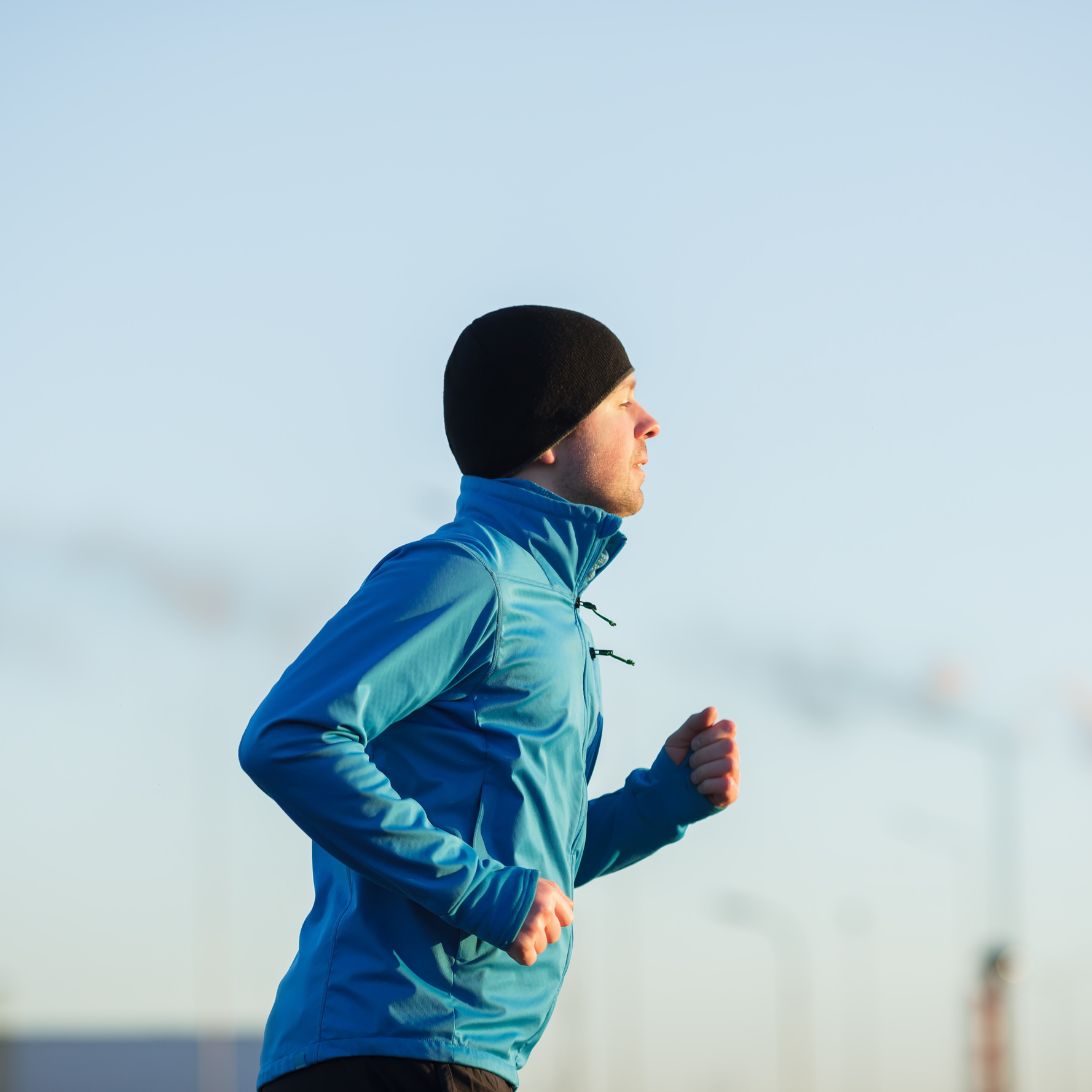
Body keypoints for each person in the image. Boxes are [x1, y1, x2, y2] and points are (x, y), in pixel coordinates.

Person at [239, 304, 740, 1092]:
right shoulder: (471, 574)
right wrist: (482, 891)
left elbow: (526, 857)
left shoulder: (550, 609)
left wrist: (660, 804)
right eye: (622, 400)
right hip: (390, 1050)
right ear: (547, 435)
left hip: (460, 1053)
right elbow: (290, 738)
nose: (650, 424)